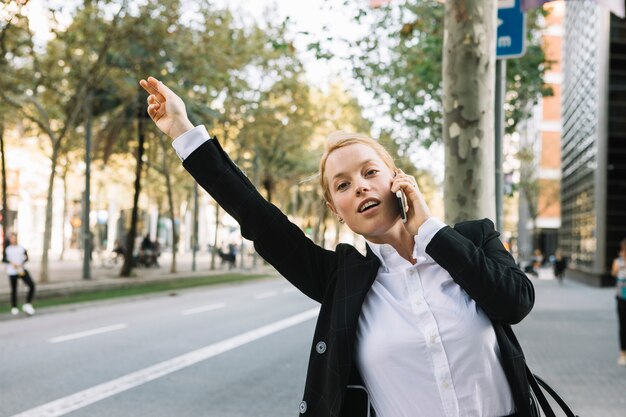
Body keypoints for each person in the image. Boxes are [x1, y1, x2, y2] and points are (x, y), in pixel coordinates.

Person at [139, 76, 535, 417]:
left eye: (369, 172)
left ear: (397, 179)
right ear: (337, 210)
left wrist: (430, 229)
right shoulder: (341, 281)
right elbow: (259, 218)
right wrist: (183, 131)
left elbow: (514, 303)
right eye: (343, 185)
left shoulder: (474, 238)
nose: (359, 185)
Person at [3, 233, 36, 315]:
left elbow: (27, 258)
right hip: (12, 272)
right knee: (14, 289)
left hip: (21, 271)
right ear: (10, 239)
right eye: (12, 238)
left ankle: (27, 304)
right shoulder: (7, 249)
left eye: (14, 238)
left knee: (31, 285)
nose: (13, 239)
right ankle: (14, 307)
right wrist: (11, 263)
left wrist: (22, 263)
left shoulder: (21, 248)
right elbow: (3, 259)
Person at [611, 238, 626, 366]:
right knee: (622, 325)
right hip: (621, 298)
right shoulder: (618, 262)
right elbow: (613, 273)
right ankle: (622, 353)